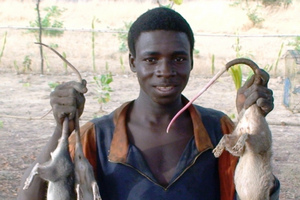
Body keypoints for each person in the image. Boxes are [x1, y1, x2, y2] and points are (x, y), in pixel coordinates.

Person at [18, 7, 279, 200]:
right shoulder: (96, 137)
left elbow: (260, 190)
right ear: (133, 62)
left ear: (191, 61)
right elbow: (30, 197)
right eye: (151, 59)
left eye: (178, 58)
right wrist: (60, 128)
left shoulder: (218, 130)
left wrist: (251, 119)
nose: (165, 70)